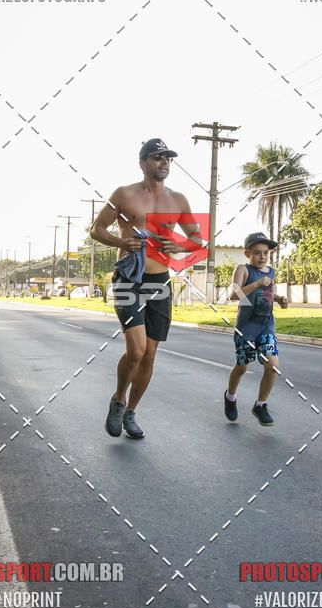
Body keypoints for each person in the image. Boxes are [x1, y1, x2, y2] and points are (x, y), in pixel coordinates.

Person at [90, 138, 204, 440]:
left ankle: (131, 412)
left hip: (160, 281)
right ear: (142, 163)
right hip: (130, 279)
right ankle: (118, 399)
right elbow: (96, 229)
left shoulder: (178, 200)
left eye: (168, 158)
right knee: (136, 350)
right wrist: (121, 242)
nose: (164, 162)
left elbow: (197, 238)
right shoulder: (123, 194)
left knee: (150, 355)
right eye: (157, 157)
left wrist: (179, 244)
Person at [224, 232, 288, 426]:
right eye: (257, 252)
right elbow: (234, 295)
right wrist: (258, 282)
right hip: (246, 328)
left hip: (266, 325)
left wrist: (278, 299)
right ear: (247, 253)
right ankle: (230, 396)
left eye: (266, 253)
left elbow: (266, 291)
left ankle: (260, 405)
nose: (262, 257)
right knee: (242, 367)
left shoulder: (271, 271)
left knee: (273, 366)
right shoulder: (243, 269)